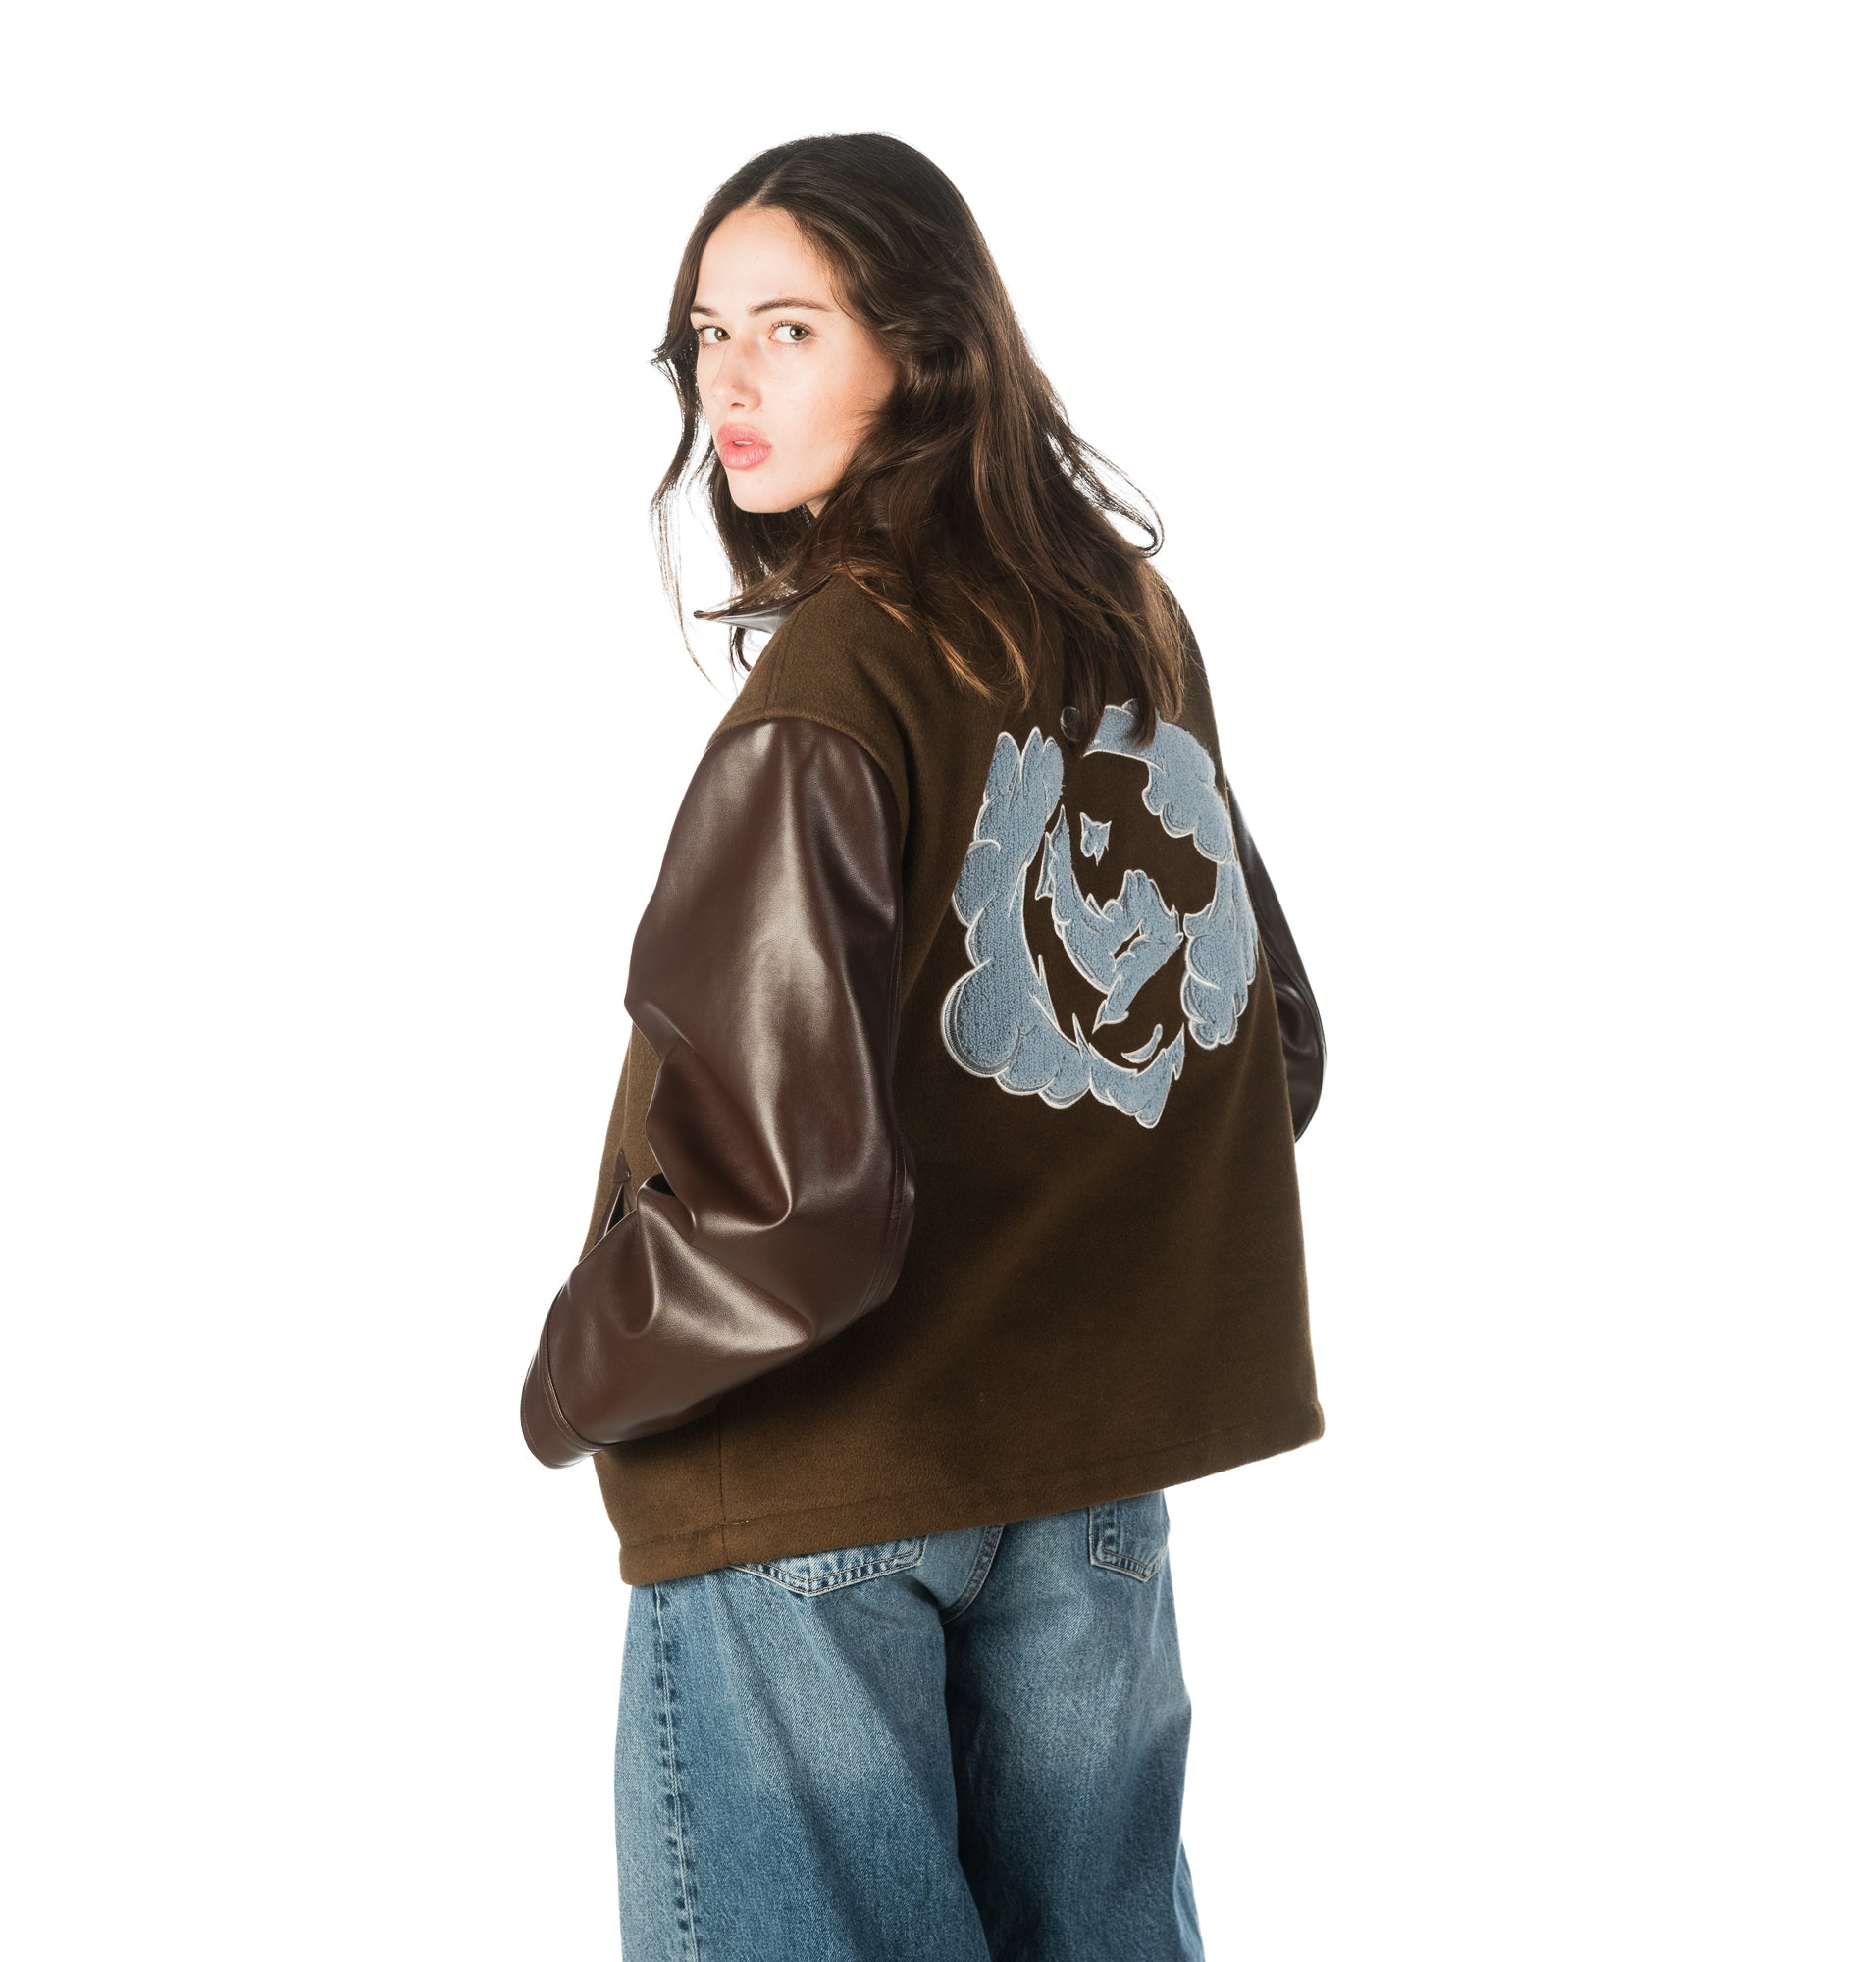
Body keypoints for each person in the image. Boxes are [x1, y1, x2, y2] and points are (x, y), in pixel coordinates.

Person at [520, 131, 1326, 1962]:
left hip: (810, 1496)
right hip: (1083, 1483)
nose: (729, 383)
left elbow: (783, 1212)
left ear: (926, 347)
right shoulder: (1127, 631)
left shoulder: (836, 686)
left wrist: (573, 1379)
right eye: (707, 335)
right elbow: (1260, 1051)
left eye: (790, 329)